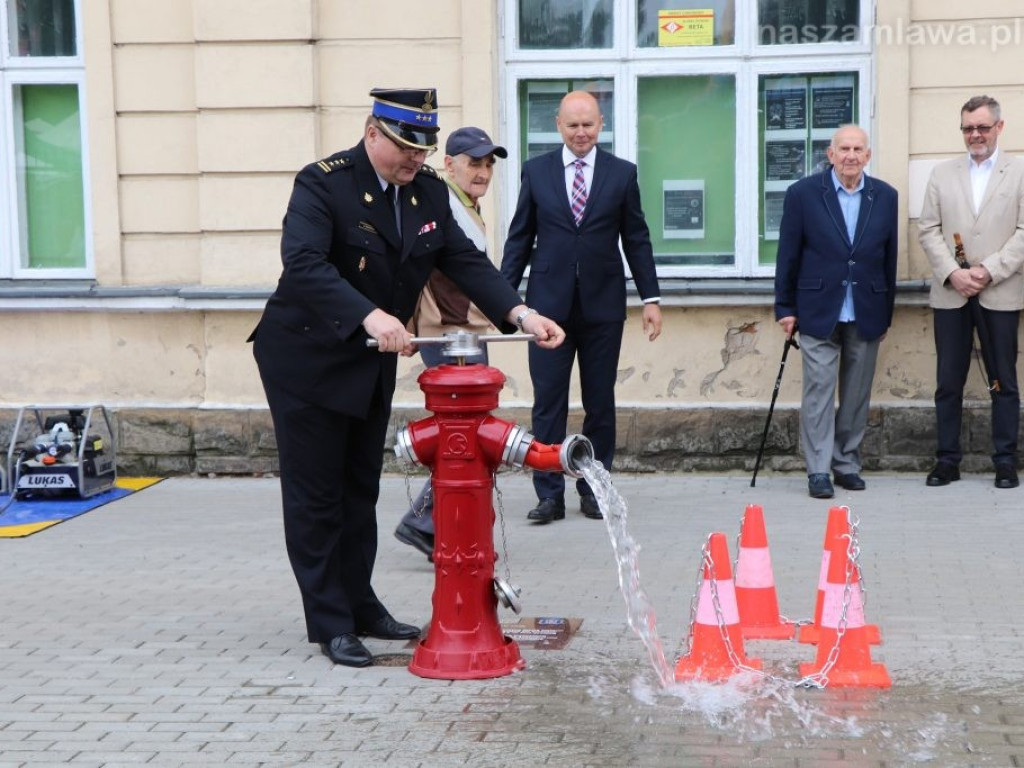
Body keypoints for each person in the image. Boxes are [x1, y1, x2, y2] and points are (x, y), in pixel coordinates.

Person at [249, 88, 565, 668]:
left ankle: (361, 603)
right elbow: (305, 264)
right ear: (373, 132)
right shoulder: (324, 183)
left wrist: (521, 313)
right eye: (403, 149)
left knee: (359, 489)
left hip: (368, 360)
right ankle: (330, 621)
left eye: (422, 152)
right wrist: (369, 314)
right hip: (307, 358)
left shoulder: (426, 194)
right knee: (317, 494)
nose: (414, 161)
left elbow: (464, 262)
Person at [500, 90, 662, 524]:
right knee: (548, 403)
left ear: (601, 124)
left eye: (588, 124)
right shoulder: (536, 172)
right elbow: (519, 239)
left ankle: (594, 489)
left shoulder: (621, 174)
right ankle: (549, 494)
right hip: (547, 310)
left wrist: (651, 298)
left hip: (602, 308)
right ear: (558, 125)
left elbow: (637, 239)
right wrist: (502, 300)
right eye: (572, 125)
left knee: (599, 402)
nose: (580, 133)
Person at [393, 126, 507, 561]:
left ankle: (431, 523)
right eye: (473, 163)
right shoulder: (443, 205)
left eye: (488, 164)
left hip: (466, 335)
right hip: (449, 337)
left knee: (467, 434)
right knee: (466, 435)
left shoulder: (467, 205)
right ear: (449, 164)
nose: (482, 172)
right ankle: (423, 523)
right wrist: (405, 324)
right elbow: (414, 267)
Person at [774, 125, 898, 499]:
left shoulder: (885, 196)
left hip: (866, 309)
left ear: (868, 155)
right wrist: (785, 307)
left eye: (858, 149)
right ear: (830, 155)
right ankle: (818, 469)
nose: (851, 155)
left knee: (857, 394)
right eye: (843, 148)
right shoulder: (803, 195)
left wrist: (886, 312)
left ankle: (846, 463)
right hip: (817, 309)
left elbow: (888, 259)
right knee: (819, 393)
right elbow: (788, 255)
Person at [918, 95, 1024, 489]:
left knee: (1003, 380)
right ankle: (946, 460)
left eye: (982, 127)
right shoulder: (942, 173)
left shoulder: (1019, 172)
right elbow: (928, 229)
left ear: (999, 126)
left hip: (1000, 291)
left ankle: (1005, 461)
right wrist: (952, 273)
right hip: (951, 293)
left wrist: (987, 270)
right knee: (948, 380)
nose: (975, 134)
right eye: (968, 128)